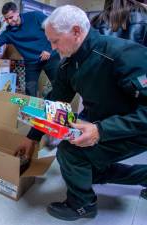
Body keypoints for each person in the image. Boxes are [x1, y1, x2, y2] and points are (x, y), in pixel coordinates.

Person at [16, 5, 147, 221]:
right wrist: (32, 138)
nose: (52, 47)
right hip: (105, 121)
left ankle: (82, 204)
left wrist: (101, 131)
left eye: (55, 41)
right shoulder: (69, 64)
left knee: (70, 152)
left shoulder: (122, 55)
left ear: (76, 31)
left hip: (136, 128)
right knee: (88, 171)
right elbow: (55, 103)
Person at [0, 2, 60, 97]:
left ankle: (54, 106)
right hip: (32, 63)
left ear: (17, 12)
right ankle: (34, 110)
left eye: (11, 17)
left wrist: (48, 49)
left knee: (59, 86)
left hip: (50, 57)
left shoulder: (35, 16)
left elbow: (54, 29)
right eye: (6, 19)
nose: (9, 21)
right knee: (30, 91)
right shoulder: (8, 34)